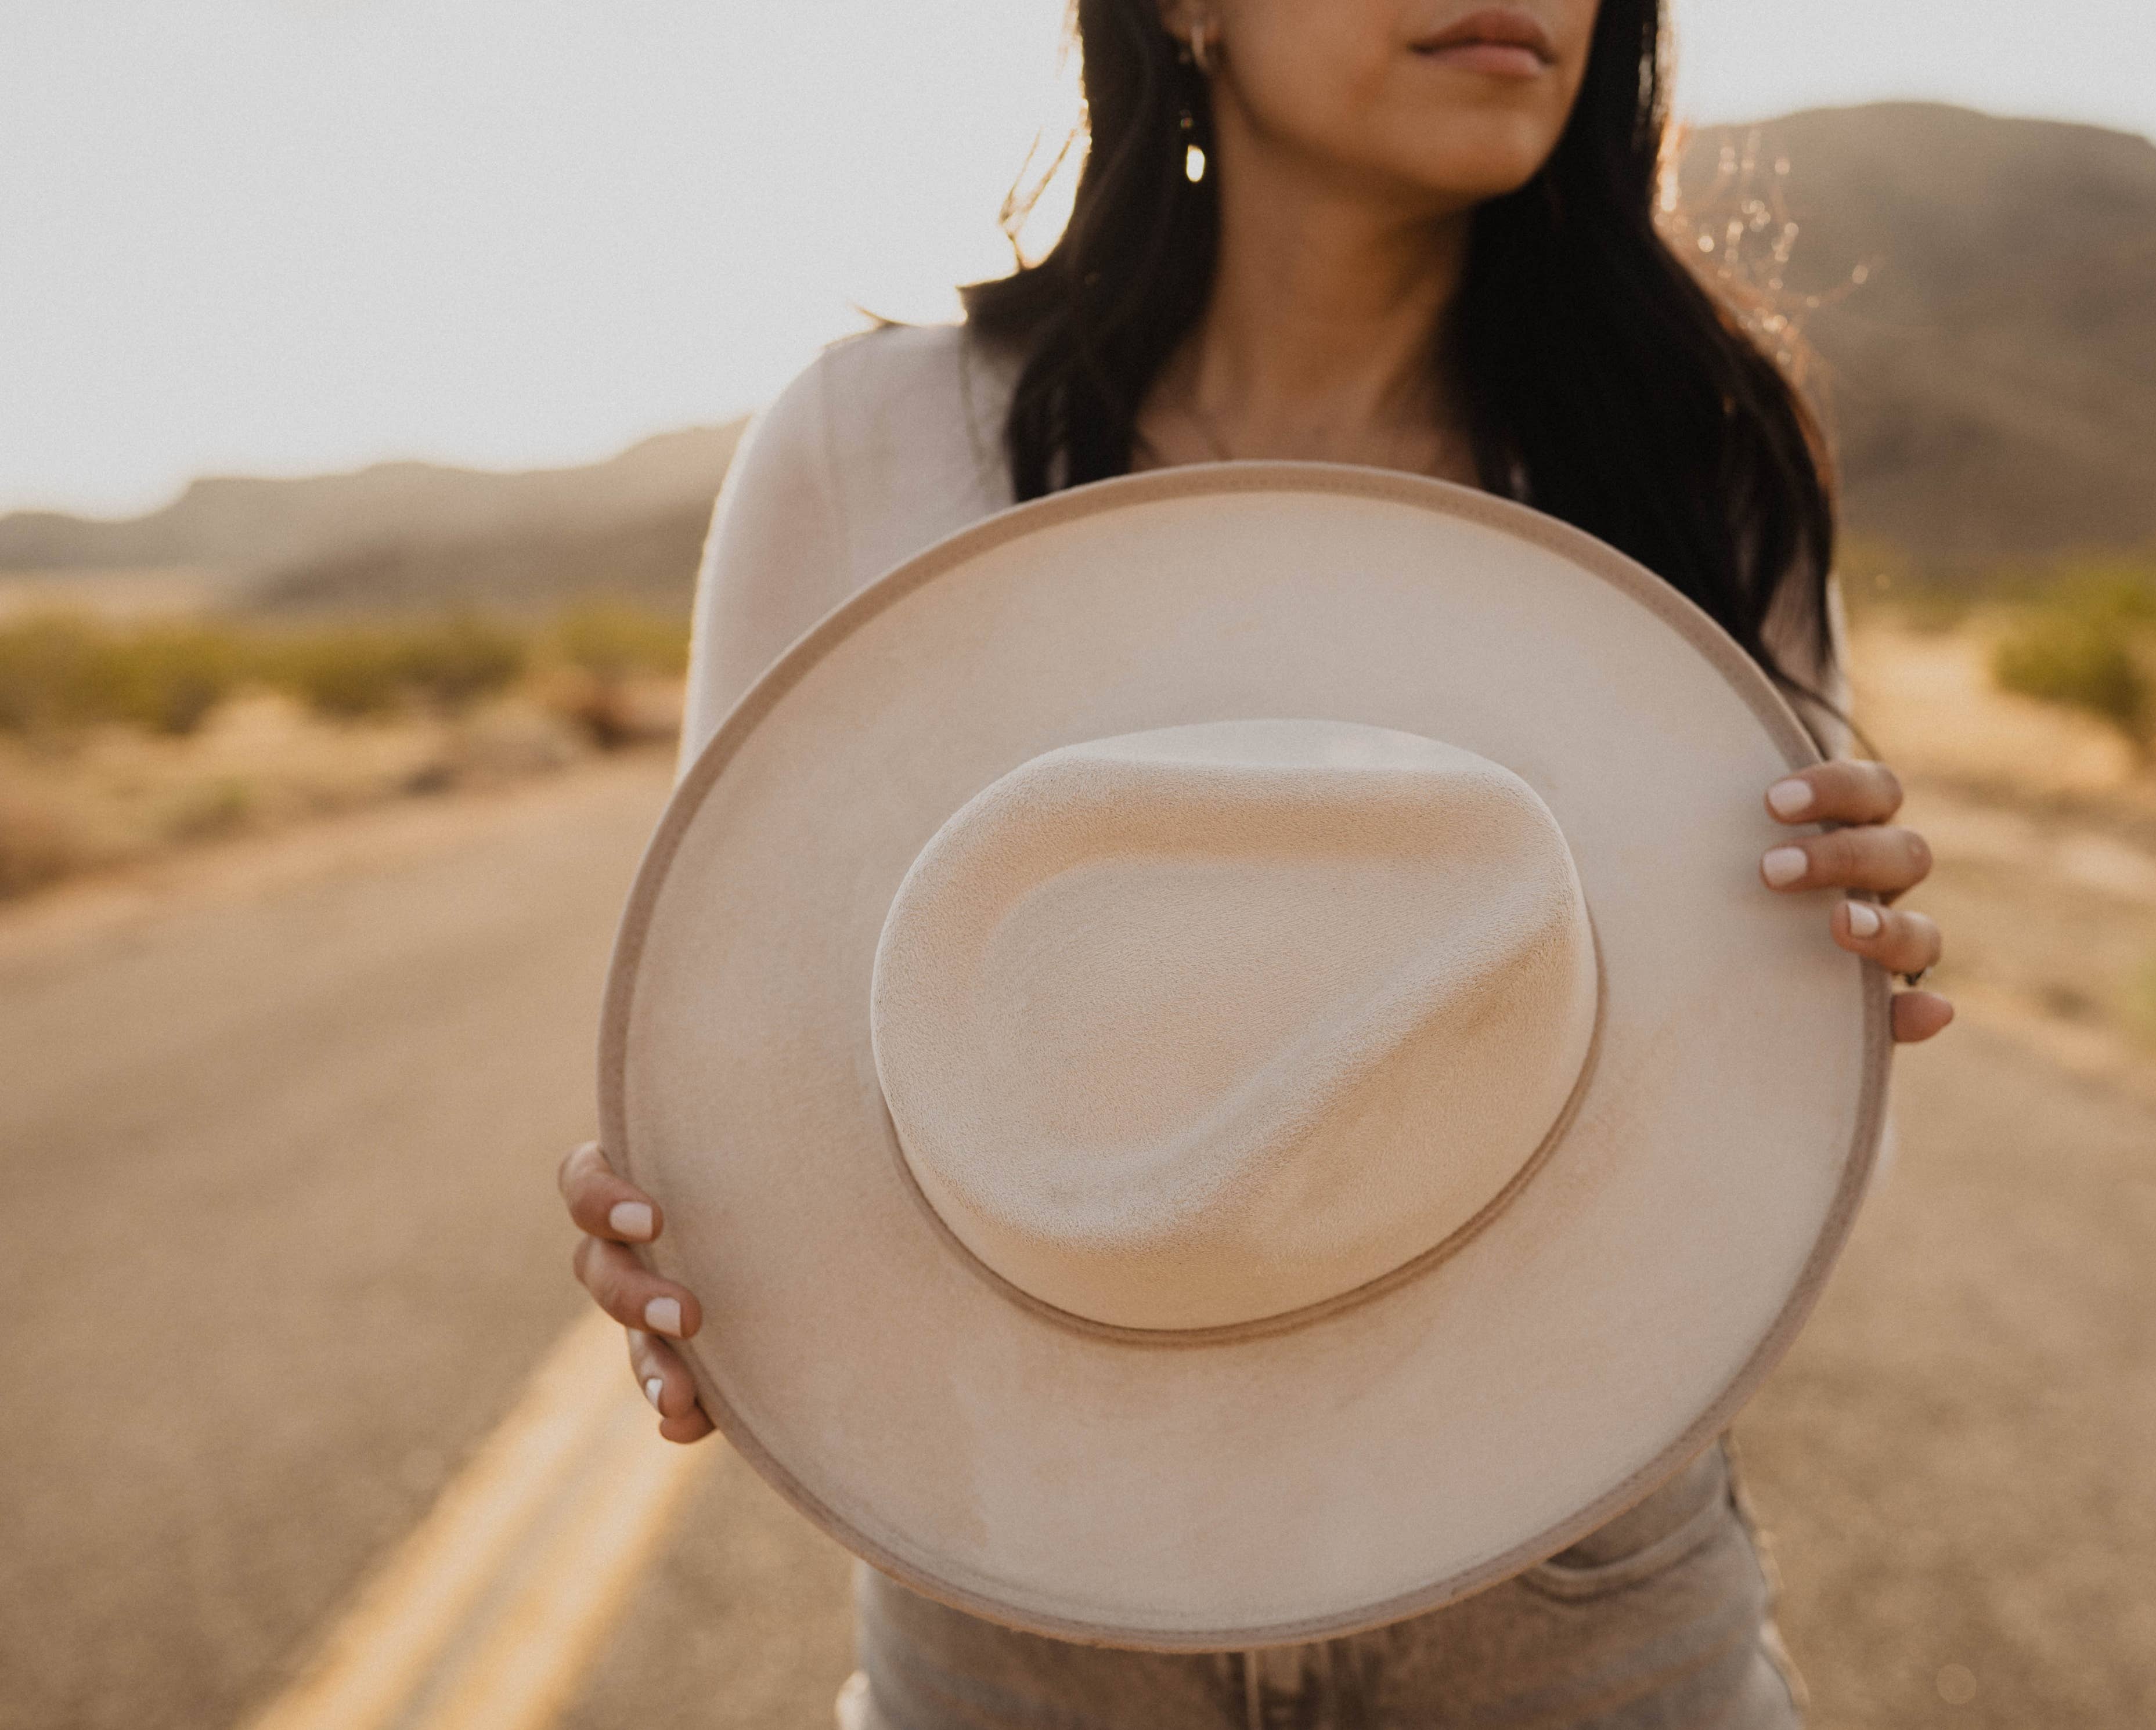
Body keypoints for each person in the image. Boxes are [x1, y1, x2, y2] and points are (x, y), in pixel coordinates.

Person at [560, 2, 1952, 1723]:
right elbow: (736, 1028)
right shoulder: (876, 446)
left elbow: (1786, 1177)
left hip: (1571, 1580)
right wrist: (691, 1241)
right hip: (1019, 1578)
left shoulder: (1684, 450)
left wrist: (1833, 997)